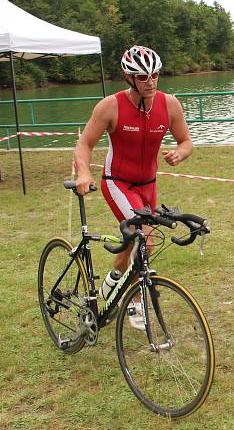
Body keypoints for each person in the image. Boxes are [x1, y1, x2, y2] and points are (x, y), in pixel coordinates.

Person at [74, 45, 193, 328]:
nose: (150, 82)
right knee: (146, 238)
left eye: (154, 75)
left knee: (132, 243)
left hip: (148, 185)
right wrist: (82, 173)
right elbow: (84, 143)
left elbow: (186, 141)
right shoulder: (110, 106)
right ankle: (136, 303)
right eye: (142, 77)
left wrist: (181, 153)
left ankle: (112, 282)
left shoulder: (170, 104)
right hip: (118, 182)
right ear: (129, 78)